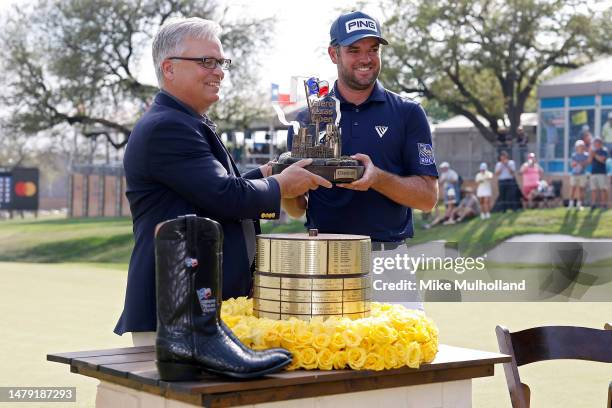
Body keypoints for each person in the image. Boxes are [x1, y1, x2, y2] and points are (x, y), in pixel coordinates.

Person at [114, 17, 331, 345]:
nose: (218, 71)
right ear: (169, 68)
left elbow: (209, 195)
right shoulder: (168, 127)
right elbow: (225, 195)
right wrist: (282, 185)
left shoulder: (187, 121)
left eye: (220, 62)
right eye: (206, 61)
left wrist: (265, 175)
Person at [284, 11, 438, 309]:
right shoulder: (309, 119)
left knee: (404, 353)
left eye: (373, 49)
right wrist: (285, 189)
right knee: (326, 355)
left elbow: (427, 199)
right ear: (333, 54)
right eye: (354, 50)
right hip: (324, 261)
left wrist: (377, 178)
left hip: (387, 259)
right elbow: (296, 208)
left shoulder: (408, 112)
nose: (365, 58)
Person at [588, 137, 609, 209]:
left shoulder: (604, 150)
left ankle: (604, 204)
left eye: (597, 143)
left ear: (600, 143)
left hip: (602, 173)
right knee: (593, 189)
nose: (596, 144)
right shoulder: (593, 152)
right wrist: (591, 154)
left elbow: (602, 160)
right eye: (595, 143)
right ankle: (593, 204)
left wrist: (594, 154)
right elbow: (589, 161)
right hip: (593, 173)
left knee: (603, 189)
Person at [569, 140, 589, 210]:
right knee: (573, 189)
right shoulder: (574, 155)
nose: (581, 147)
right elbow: (572, 164)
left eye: (582, 146)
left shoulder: (586, 155)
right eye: (579, 146)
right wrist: (576, 164)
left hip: (582, 174)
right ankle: (571, 205)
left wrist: (580, 163)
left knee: (581, 190)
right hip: (574, 174)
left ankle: (579, 205)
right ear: (576, 147)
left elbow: (586, 163)